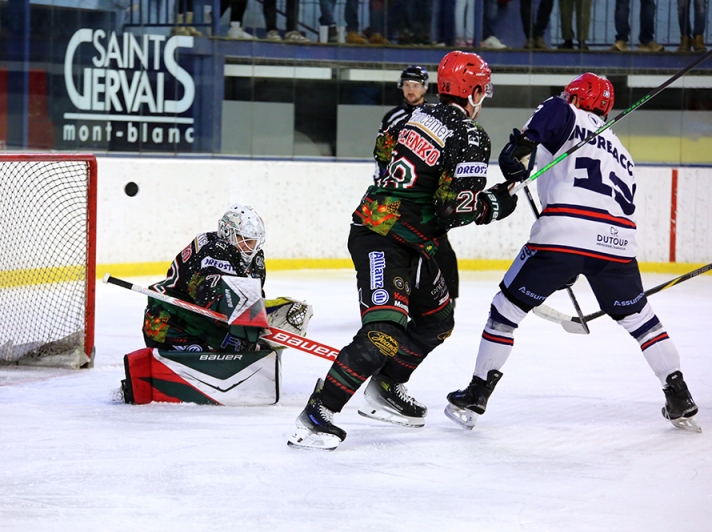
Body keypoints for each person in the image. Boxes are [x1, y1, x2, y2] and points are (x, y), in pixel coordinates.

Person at [444, 73, 701, 433]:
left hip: (562, 235)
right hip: (617, 243)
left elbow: (537, 132)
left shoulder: (563, 110)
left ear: (577, 98)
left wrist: (517, 155)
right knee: (641, 320)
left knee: (506, 310)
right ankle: (679, 395)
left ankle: (476, 392)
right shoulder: (624, 154)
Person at [288, 51, 519, 450]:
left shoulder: (413, 115)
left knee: (436, 321)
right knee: (384, 333)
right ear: (475, 91)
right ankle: (318, 413)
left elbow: (383, 154)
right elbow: (455, 209)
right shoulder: (470, 135)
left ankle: (385, 387)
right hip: (383, 236)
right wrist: (495, 203)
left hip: (412, 238)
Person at [374, 65, 461, 300]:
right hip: (391, 195)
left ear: (425, 88)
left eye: (415, 85)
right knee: (380, 240)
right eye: (407, 84)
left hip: (422, 199)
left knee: (437, 248)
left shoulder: (436, 114)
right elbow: (381, 156)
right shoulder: (392, 117)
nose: (410, 90)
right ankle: (384, 293)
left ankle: (447, 298)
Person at [142, 204, 267, 353]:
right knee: (239, 345)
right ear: (228, 232)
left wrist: (263, 312)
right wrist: (246, 324)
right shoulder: (213, 251)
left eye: (253, 240)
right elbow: (212, 295)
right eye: (245, 239)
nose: (250, 246)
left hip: (195, 321)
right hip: (167, 323)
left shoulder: (254, 258)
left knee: (249, 345)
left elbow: (249, 296)